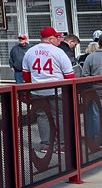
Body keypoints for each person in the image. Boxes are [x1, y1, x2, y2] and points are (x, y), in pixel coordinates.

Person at [22, 26, 76, 154]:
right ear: (51, 39)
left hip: (37, 90)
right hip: (56, 90)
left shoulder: (30, 51)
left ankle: (45, 145)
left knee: (42, 116)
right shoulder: (58, 52)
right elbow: (69, 75)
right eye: (57, 37)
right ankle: (62, 145)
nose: (59, 40)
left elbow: (26, 75)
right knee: (60, 116)